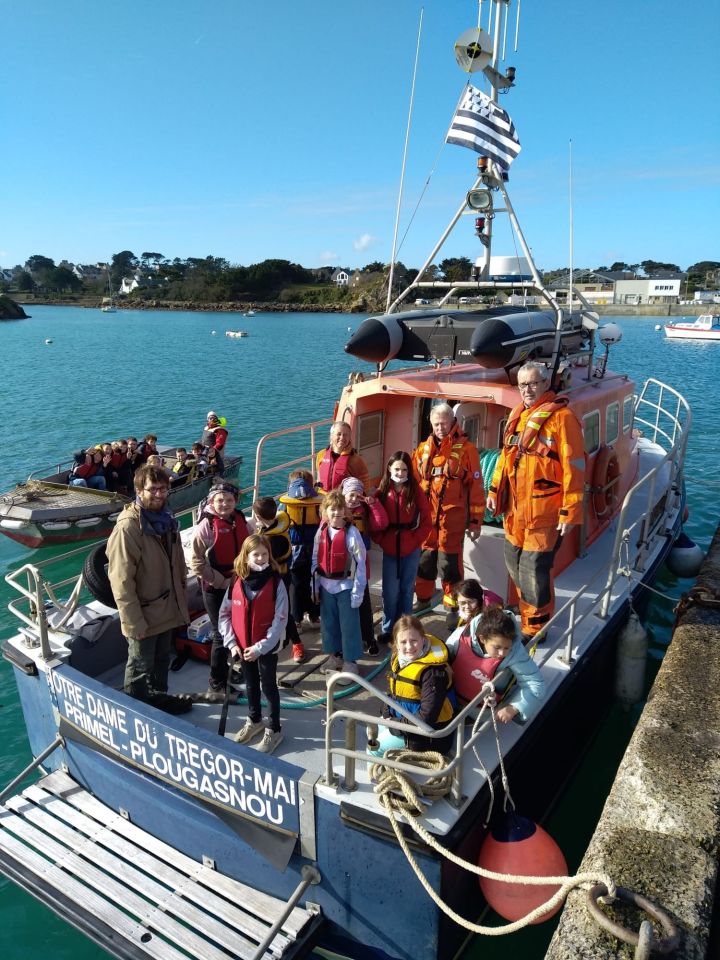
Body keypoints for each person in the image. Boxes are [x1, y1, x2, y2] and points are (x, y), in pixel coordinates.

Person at [486, 361, 585, 640]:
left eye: (532, 383)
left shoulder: (562, 418)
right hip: (515, 510)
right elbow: (505, 458)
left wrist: (570, 511)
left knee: (533, 568)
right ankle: (527, 610)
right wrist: (494, 492)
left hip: (545, 512)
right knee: (513, 561)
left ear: (545, 384)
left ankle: (536, 627)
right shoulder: (518, 416)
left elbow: (574, 466)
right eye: (522, 385)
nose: (527, 390)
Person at [106, 464, 191, 714]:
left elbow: (176, 561)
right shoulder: (129, 528)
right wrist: (133, 622)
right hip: (144, 613)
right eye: (152, 489)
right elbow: (121, 580)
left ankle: (159, 700)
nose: (159, 494)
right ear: (138, 490)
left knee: (162, 658)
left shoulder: (167, 518)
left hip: (167, 606)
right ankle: (137, 711)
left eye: (163, 489)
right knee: (140, 665)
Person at [413, 402, 486, 629]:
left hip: (451, 521)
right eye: (436, 423)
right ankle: (423, 599)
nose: (440, 427)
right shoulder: (423, 449)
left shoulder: (467, 450)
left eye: (444, 422)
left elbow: (476, 487)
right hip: (427, 519)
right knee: (424, 563)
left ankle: (453, 607)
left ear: (453, 422)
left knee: (450, 566)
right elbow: (414, 481)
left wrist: (475, 521)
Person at [219, 534, 287, 754]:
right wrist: (232, 643)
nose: (260, 558)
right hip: (242, 648)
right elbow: (224, 615)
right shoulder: (236, 581)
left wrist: (260, 648)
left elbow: (280, 619)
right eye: (255, 554)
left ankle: (274, 729)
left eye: (264, 554)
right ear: (246, 556)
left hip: (265, 648)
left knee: (268, 687)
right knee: (250, 685)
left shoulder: (276, 582)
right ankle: (254, 719)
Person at [189, 481, 249, 700]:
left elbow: (250, 548)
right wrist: (220, 581)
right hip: (216, 588)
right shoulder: (206, 525)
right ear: (212, 501)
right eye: (220, 500)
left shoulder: (240, 519)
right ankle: (216, 685)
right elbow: (196, 562)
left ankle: (233, 667)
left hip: (238, 584)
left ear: (236, 501)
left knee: (239, 628)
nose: (224, 504)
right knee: (220, 635)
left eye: (229, 500)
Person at [369, 615, 455, 756]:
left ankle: (377, 777)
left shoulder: (433, 673)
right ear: (395, 643)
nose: (409, 647)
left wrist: (395, 726)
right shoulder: (400, 659)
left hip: (426, 736)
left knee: (373, 748)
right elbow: (393, 691)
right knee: (370, 730)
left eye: (414, 641)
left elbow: (427, 718)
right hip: (402, 721)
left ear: (423, 639)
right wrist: (386, 714)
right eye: (403, 642)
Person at [372, 451, 432, 644]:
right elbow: (373, 519)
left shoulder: (416, 490)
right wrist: (381, 539)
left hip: (411, 548)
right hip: (390, 549)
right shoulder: (381, 491)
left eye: (404, 469)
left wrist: (416, 540)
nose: (400, 472)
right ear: (390, 468)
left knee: (407, 590)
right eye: (397, 468)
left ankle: (406, 629)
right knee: (390, 592)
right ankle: (389, 629)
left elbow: (426, 520)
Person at [446, 607, 545, 722]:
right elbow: (442, 657)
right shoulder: (460, 636)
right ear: (482, 639)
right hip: (450, 700)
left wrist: (514, 708)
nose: (502, 653)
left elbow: (536, 683)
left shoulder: (515, 651)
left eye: (506, 647)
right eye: (497, 647)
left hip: (482, 714)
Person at [312, 489, 366, 683]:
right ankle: (334, 655)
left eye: (339, 509)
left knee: (348, 625)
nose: (335, 513)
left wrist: (357, 592)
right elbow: (315, 560)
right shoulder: (322, 532)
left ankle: (350, 661)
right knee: (329, 624)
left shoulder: (352, 533)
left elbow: (360, 564)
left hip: (346, 587)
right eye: (331, 509)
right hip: (326, 586)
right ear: (325, 511)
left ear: (345, 511)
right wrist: (315, 586)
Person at [250, 496, 306, 663]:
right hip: (277, 577)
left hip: (278, 579)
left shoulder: (273, 539)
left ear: (258, 517)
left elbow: (267, 562)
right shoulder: (277, 526)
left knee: (282, 613)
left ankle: (297, 643)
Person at [341, 476, 388, 657]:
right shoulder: (336, 512)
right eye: (350, 495)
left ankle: (369, 638)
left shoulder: (366, 511)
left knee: (363, 603)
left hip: (360, 566)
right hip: (341, 568)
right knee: (345, 605)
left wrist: (373, 505)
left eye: (356, 495)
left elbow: (381, 524)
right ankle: (350, 639)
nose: (353, 499)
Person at [277, 469, 323, 630]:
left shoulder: (286, 503)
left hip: (294, 552)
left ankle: (296, 619)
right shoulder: (317, 501)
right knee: (313, 582)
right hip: (314, 550)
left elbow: (279, 523)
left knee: (296, 586)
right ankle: (314, 615)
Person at [316, 421, 370, 493]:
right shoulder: (321, 455)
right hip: (324, 498)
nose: (342, 438)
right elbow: (319, 478)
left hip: (344, 500)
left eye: (345, 435)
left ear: (349, 438)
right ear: (331, 436)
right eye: (338, 434)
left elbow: (365, 484)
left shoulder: (356, 460)